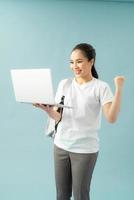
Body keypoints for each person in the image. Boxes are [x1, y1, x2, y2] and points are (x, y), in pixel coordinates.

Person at [33, 43, 125, 200]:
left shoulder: (100, 87)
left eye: (79, 61)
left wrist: (119, 88)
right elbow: (58, 116)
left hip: (84, 150)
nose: (75, 66)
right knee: (61, 195)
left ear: (91, 61)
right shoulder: (65, 84)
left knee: (81, 195)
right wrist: (47, 109)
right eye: (71, 62)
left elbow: (111, 117)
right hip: (61, 146)